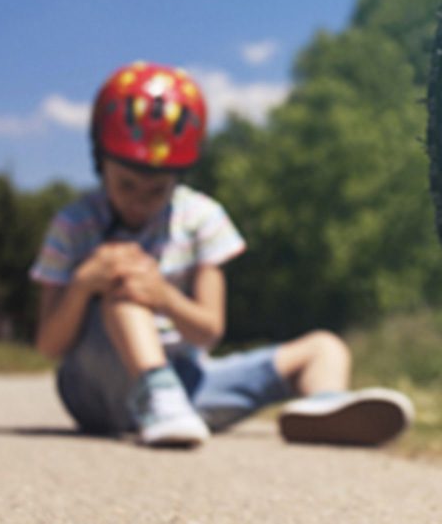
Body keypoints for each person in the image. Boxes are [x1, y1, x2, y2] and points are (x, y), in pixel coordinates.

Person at [30, 61, 414, 447]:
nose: (139, 201)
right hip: (94, 387)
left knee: (325, 347)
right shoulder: (72, 224)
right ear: (101, 160)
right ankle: (156, 395)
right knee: (125, 289)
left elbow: (209, 331)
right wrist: (83, 284)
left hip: (187, 383)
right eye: (126, 184)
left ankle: (324, 407)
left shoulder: (202, 217)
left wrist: (162, 296)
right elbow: (49, 345)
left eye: (156, 190)